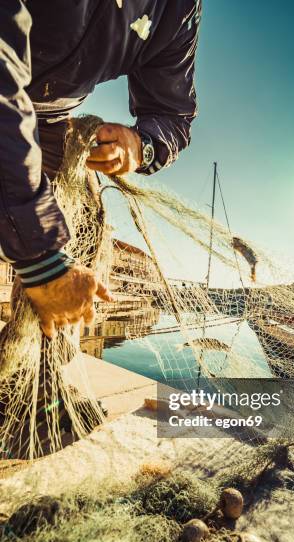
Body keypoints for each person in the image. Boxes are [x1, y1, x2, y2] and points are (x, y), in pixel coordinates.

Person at [0, 0, 201, 337]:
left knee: (85, 226)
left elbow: (173, 115)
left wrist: (142, 145)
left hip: (48, 117)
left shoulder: (177, 9)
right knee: (40, 248)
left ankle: (44, 370)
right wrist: (40, 260)